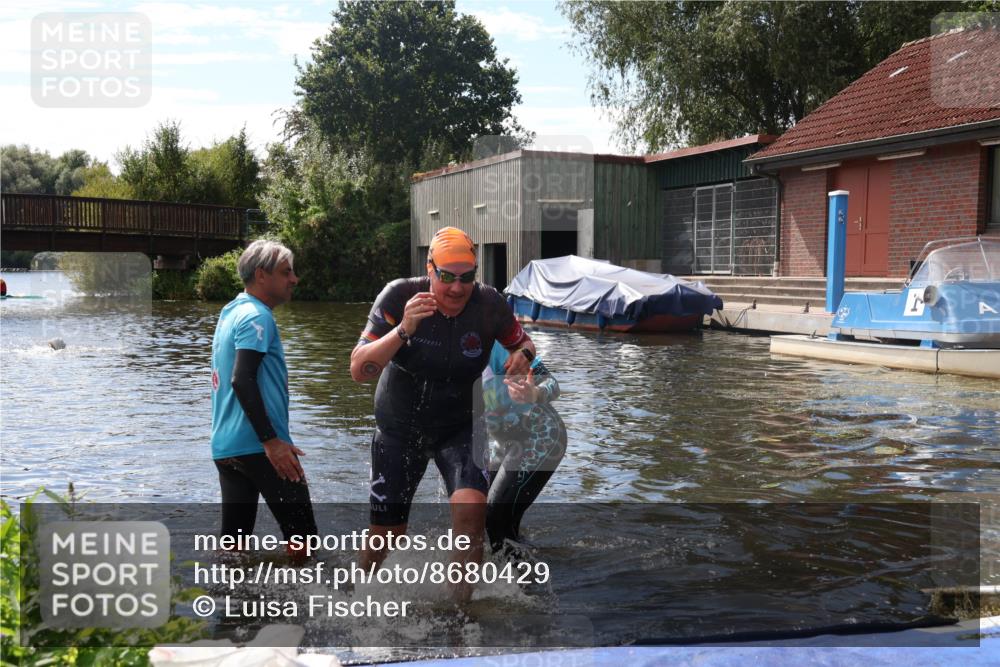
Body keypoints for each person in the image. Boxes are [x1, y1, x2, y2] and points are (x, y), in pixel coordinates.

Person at [350, 227, 535, 599]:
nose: (456, 288)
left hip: (460, 427)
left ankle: (460, 620)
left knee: (471, 511)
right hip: (400, 429)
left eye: (466, 277)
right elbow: (358, 369)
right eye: (446, 277)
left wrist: (523, 358)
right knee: (388, 534)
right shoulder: (399, 295)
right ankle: (352, 590)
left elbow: (524, 343)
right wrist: (404, 329)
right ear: (429, 268)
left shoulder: (489, 305)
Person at [210, 239, 316, 555]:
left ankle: (232, 603)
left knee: (234, 546)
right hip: (260, 447)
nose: (294, 279)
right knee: (304, 541)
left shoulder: (230, 311)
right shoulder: (258, 317)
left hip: (226, 448)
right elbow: (241, 379)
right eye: (286, 272)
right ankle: (304, 603)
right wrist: (271, 442)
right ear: (261, 275)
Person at [482, 342, 566, 556]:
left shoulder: (494, 347)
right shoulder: (439, 357)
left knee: (495, 517)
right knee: (482, 517)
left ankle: (518, 584)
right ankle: (535, 565)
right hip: (503, 444)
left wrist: (534, 393)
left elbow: (552, 383)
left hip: (540, 436)